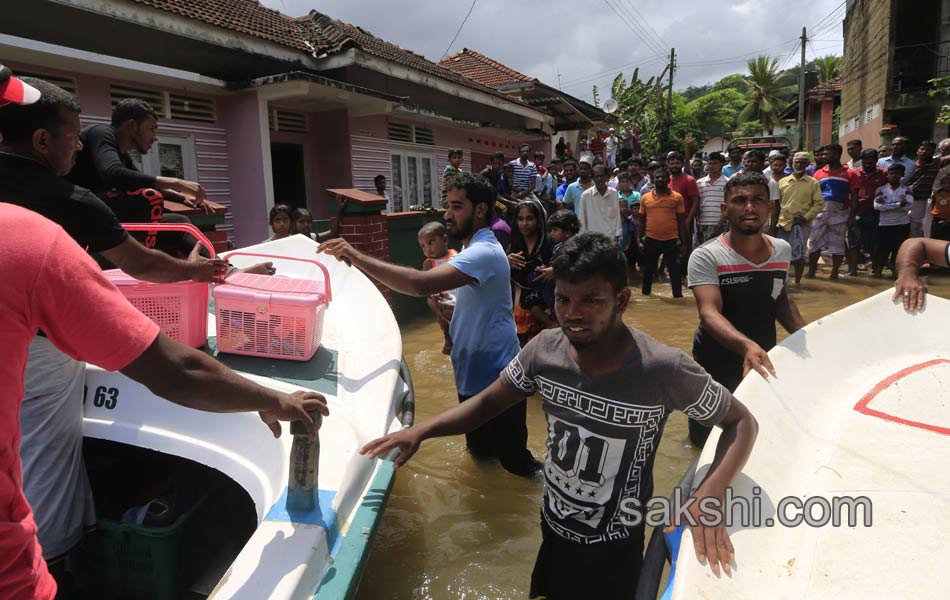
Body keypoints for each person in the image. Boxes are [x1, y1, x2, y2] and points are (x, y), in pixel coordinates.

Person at [359, 232, 759, 600]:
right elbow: (488, 403)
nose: (572, 314)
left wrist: (707, 497)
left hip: (615, 547)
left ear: (620, 301)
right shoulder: (543, 350)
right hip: (553, 529)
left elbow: (742, 423)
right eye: (563, 299)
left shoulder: (663, 369)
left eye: (590, 300)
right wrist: (421, 432)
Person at [0, 202, 327, 600]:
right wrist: (271, 398)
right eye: (72, 135)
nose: (80, 146)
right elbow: (176, 372)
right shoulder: (27, 239)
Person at [319, 173, 542, 476]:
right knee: (482, 459)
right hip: (474, 371)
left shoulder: (484, 252)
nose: (447, 215)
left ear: (480, 210)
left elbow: (419, 284)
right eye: (446, 206)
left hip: (497, 373)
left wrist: (355, 255)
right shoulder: (470, 249)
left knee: (516, 465)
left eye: (456, 207)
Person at [687, 170, 804, 447]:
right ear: (725, 209)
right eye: (740, 200)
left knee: (758, 435)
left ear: (770, 206)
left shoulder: (781, 250)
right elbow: (709, 313)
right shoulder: (707, 255)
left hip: (763, 358)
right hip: (715, 362)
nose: (749, 207)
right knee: (705, 443)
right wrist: (746, 347)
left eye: (757, 200)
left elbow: (779, 298)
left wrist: (807, 335)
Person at [67, 98, 212, 256]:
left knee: (177, 223)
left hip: (101, 219)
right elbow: (113, 174)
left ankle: (223, 268)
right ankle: (143, 260)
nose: (155, 137)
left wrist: (180, 196)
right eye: (151, 129)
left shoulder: (122, 155)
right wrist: (178, 182)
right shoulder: (101, 132)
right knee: (146, 199)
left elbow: (139, 182)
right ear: (132, 126)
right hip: (77, 218)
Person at [807, 144, 860, 280]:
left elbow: (854, 196)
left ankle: (834, 272)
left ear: (837, 155)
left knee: (838, 245)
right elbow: (812, 195)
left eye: (827, 154)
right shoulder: (818, 173)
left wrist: (852, 216)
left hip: (840, 214)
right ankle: (811, 272)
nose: (823, 156)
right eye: (823, 154)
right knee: (814, 244)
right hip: (820, 213)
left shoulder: (850, 173)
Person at [508, 199, 556, 346]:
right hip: (520, 308)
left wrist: (555, 270)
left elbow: (571, 265)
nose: (524, 223)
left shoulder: (550, 244)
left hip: (548, 305)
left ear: (539, 221)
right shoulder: (513, 248)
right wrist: (505, 261)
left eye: (530, 218)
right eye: (520, 219)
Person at [774, 152, 824, 284]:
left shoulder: (813, 183)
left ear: (807, 164)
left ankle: (797, 283)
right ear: (792, 163)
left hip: (802, 225)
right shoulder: (783, 182)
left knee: (798, 257)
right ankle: (782, 284)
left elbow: (819, 203)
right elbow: (776, 204)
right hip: (783, 223)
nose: (799, 165)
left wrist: (805, 217)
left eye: (802, 162)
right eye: (797, 162)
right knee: (781, 255)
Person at [639, 167, 687, 298]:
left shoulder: (677, 197)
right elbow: (641, 220)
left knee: (675, 272)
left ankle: (678, 299)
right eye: (657, 177)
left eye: (663, 177)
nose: (660, 179)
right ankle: (645, 297)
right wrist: (639, 240)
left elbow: (681, 221)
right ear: (653, 180)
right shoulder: (645, 197)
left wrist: (683, 243)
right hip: (650, 239)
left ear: (668, 179)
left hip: (671, 240)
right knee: (648, 272)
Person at [419, 221, 459, 355]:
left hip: (458, 295)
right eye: (423, 246)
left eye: (431, 242)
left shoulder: (455, 254)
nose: (427, 249)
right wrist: (433, 294)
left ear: (445, 240)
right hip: (442, 298)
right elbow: (426, 284)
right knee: (440, 313)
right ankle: (447, 336)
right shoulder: (429, 263)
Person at [872, 164, 913, 277]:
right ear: (887, 175)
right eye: (892, 173)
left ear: (902, 175)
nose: (894, 176)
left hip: (902, 224)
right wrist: (898, 205)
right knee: (882, 250)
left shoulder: (906, 189)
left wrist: (887, 206)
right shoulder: (880, 189)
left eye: (897, 173)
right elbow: (877, 206)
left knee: (899, 250)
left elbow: (909, 206)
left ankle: (896, 274)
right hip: (885, 224)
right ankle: (877, 272)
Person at [854, 149, 888, 267]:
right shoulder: (855, 173)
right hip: (857, 211)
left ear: (876, 161)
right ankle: (853, 269)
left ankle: (875, 267)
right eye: (865, 163)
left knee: (874, 242)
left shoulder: (884, 174)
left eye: (871, 163)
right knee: (855, 242)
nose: (868, 165)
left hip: (875, 214)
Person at [577, 164, 622, 242]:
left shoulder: (613, 193)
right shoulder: (586, 195)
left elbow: (617, 215)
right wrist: (583, 238)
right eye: (596, 176)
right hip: (593, 239)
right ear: (593, 178)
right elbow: (582, 219)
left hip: (610, 238)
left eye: (602, 176)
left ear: (607, 177)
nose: (599, 179)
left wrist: (617, 234)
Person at [907, 140, 939, 238]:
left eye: (928, 150)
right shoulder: (910, 165)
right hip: (912, 199)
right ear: (917, 151)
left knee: (926, 226)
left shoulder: (937, 163)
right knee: (913, 225)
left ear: (933, 152)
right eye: (922, 149)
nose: (924, 151)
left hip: (927, 200)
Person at [695, 152, 729, 244]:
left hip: (721, 223)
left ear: (721, 164)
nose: (712, 166)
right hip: (703, 224)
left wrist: (720, 224)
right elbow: (697, 205)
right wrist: (699, 225)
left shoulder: (728, 182)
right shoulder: (699, 183)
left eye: (715, 163)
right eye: (709, 163)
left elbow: (728, 205)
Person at [930, 174, 950, 242]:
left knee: (945, 242)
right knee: (934, 240)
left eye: (949, 182)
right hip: (936, 220)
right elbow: (933, 203)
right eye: (944, 183)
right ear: (941, 184)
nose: (947, 185)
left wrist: (947, 221)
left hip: (948, 221)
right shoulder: (937, 193)